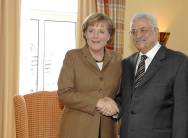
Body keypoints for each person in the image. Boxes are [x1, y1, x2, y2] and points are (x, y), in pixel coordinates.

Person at [115, 12, 188, 138]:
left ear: (156, 31)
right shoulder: (126, 63)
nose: (137, 35)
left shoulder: (178, 62)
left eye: (143, 30)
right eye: (133, 31)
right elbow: (124, 99)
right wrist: (113, 106)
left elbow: (182, 113)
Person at [57, 13, 121, 138]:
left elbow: (121, 94)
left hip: (107, 131)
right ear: (85, 34)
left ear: (109, 36)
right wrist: (98, 102)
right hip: (76, 130)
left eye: (101, 31)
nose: (95, 35)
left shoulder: (118, 60)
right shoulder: (72, 57)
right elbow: (64, 93)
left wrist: (116, 108)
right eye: (91, 30)